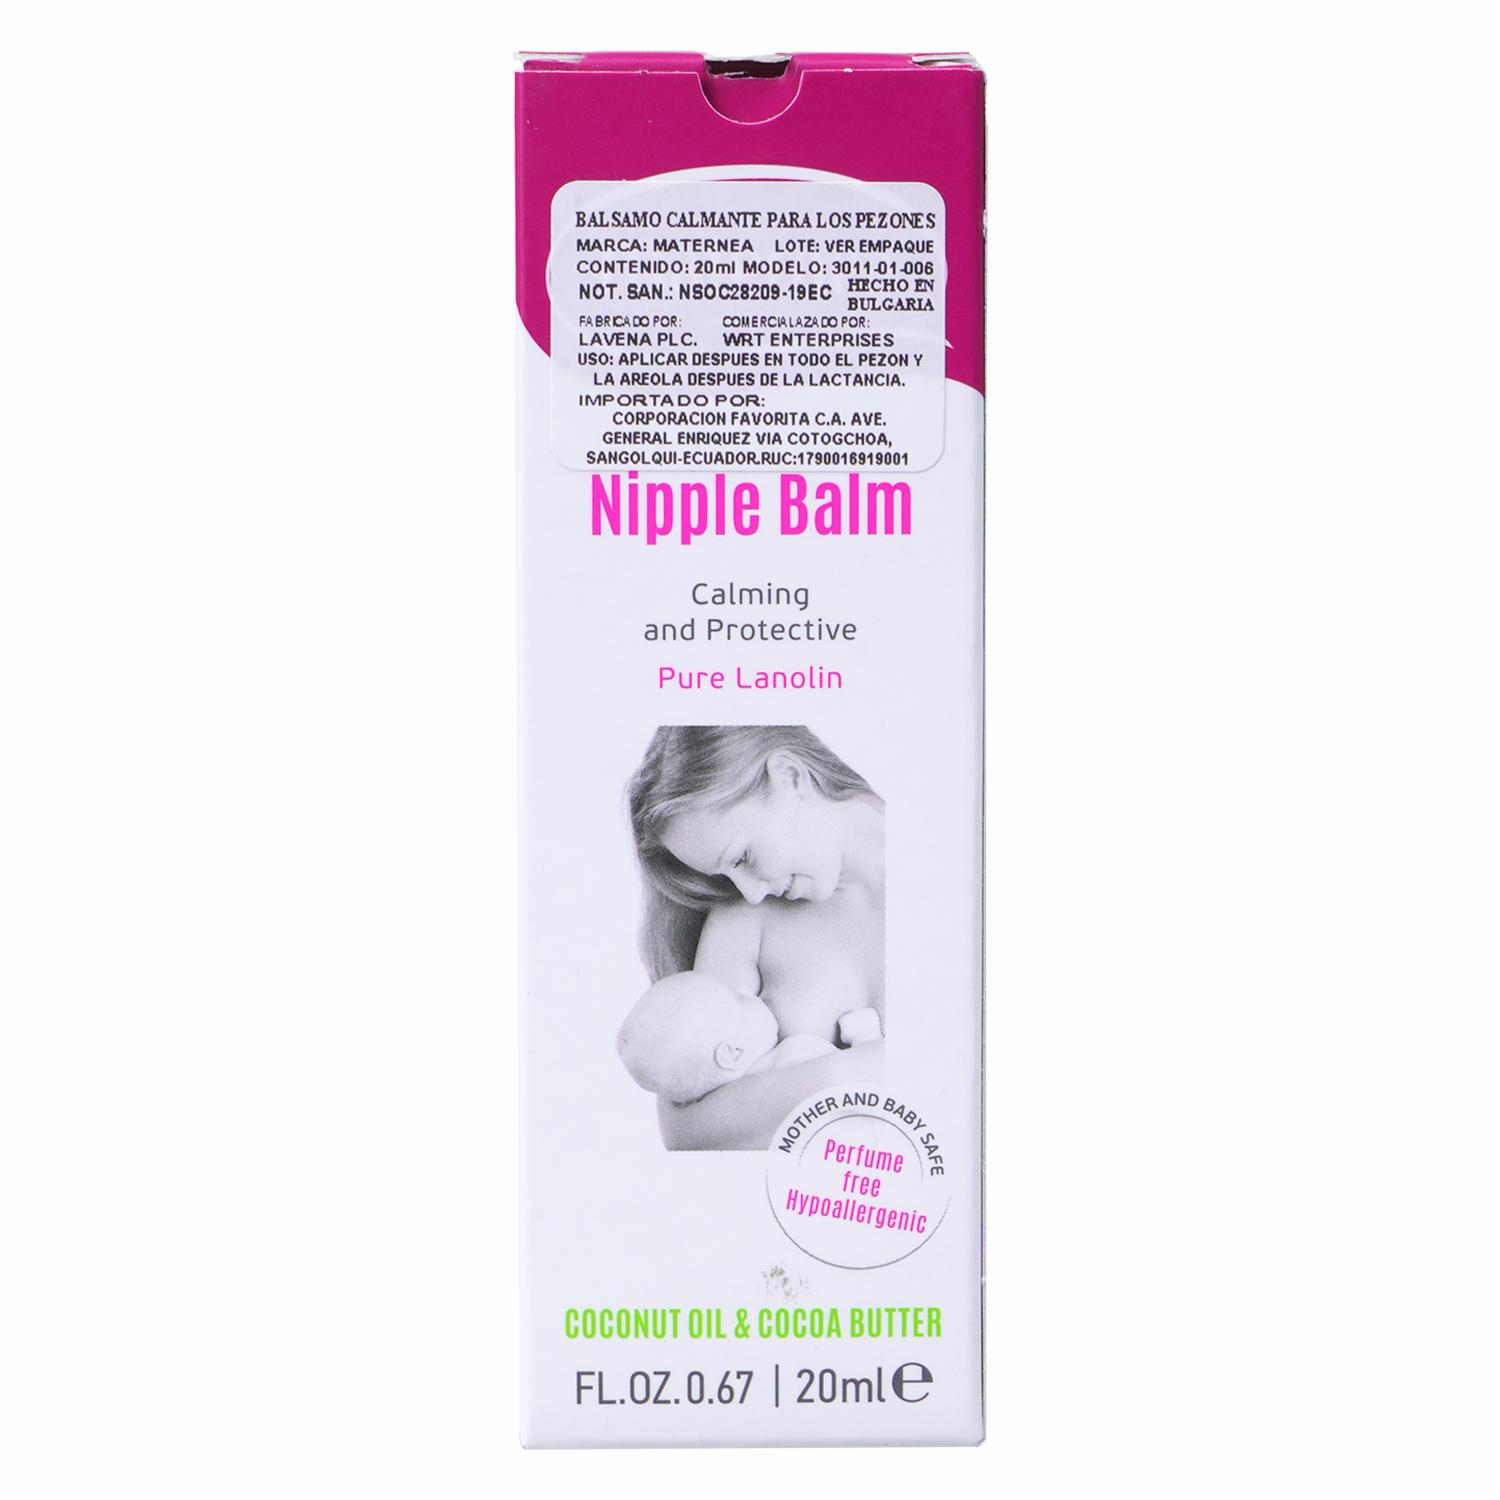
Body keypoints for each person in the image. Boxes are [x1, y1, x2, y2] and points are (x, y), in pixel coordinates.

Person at [625, 725, 886, 1149]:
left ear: (791, 777)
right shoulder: (743, 921)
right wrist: (852, 1076)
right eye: (724, 875)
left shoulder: (959, 872)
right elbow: (687, 1133)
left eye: (742, 857)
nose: (749, 893)